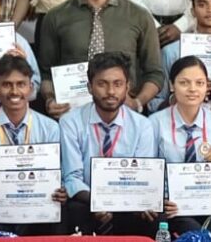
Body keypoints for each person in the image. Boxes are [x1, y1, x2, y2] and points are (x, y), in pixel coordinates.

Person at [39, 0, 163, 119]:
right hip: (72, 115)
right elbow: (45, 73)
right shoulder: (56, 17)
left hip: (124, 114)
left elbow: (155, 73)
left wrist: (137, 103)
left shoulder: (139, 16)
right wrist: (50, 100)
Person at [0, 54, 66, 235]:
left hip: (40, 207)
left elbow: (57, 172)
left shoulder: (50, 127)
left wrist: (60, 189)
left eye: (21, 84)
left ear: (31, 87)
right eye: (7, 84)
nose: (14, 91)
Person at [60, 51, 156, 236]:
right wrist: (98, 201)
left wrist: (139, 201)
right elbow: (72, 178)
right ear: (89, 87)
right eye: (102, 84)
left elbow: (142, 175)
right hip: (87, 201)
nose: (111, 91)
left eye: (117, 84)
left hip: (128, 202)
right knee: (73, 209)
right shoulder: (70, 122)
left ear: (127, 87)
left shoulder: (142, 125)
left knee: (153, 216)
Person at [148, 56, 211, 237]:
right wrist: (162, 198)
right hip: (171, 205)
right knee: (191, 229)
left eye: (199, 83)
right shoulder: (155, 123)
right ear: (172, 86)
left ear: (207, 86)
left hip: (208, 201)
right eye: (184, 83)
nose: (192, 89)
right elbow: (149, 171)